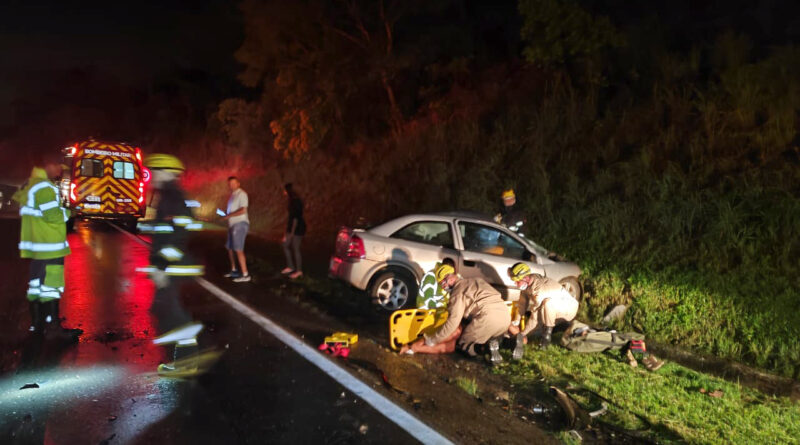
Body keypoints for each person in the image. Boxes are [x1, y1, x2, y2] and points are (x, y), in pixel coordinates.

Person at [137, 154, 206, 377]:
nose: (152, 175)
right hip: (172, 266)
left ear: (168, 173)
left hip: (173, 267)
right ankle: (185, 360)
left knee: (174, 315)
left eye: (156, 171)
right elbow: (166, 231)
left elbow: (176, 235)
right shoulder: (168, 195)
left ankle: (186, 364)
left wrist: (160, 266)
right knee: (163, 311)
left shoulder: (172, 197)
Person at [13, 156, 81, 343]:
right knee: (51, 288)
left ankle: (37, 324)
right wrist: (70, 211)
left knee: (37, 286)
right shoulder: (44, 187)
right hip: (50, 247)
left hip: (38, 246)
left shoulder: (30, 184)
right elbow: (54, 216)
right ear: (48, 165)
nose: (60, 170)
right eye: (58, 166)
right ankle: (52, 328)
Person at [400, 264, 510, 365]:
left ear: (451, 277)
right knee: (489, 335)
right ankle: (508, 342)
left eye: (443, 282)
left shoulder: (457, 293)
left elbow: (452, 323)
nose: (443, 287)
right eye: (440, 285)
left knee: (464, 345)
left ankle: (485, 349)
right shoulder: (476, 280)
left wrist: (431, 340)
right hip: (505, 317)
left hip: (487, 317)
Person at [507, 262, 579, 358]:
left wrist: (522, 334)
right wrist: (516, 321)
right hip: (557, 307)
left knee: (547, 304)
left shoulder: (541, 289)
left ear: (526, 278)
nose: (515, 284)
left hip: (568, 310)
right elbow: (522, 304)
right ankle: (559, 326)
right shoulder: (527, 283)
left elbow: (535, 318)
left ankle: (546, 338)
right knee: (533, 330)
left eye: (517, 281)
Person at [222, 176, 251, 282]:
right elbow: (232, 211)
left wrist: (229, 215)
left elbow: (243, 210)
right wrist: (227, 214)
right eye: (230, 184)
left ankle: (245, 274)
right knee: (230, 248)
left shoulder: (242, 194)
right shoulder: (232, 196)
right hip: (232, 225)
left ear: (238, 183)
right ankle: (234, 270)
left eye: (234, 183)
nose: (232, 185)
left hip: (240, 224)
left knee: (238, 249)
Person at [281, 183, 305, 279]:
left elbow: (295, 218)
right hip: (292, 227)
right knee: (285, 245)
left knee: (295, 248)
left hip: (298, 228)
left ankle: (299, 271)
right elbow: (291, 218)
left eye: (284, 190)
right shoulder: (292, 201)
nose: (283, 192)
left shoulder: (296, 201)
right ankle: (290, 266)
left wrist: (291, 233)